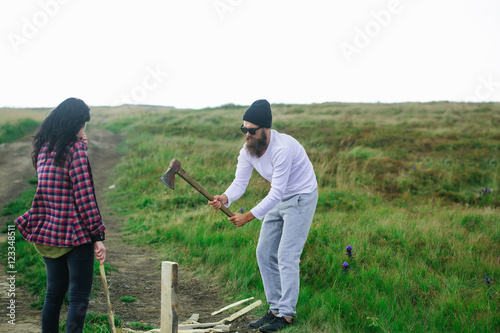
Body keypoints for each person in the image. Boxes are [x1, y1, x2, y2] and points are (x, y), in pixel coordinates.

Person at [209, 99, 318, 332]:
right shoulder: (248, 150)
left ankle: (286, 315)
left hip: (300, 197)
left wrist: (248, 216)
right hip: (277, 199)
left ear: (266, 129)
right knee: (264, 252)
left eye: (252, 130)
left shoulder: (283, 149)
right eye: (243, 129)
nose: (247, 134)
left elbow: (277, 192)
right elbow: (240, 183)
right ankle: (275, 308)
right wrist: (225, 198)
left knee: (287, 255)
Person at [14, 97, 106, 333]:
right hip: (75, 236)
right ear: (76, 123)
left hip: (48, 233)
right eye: (83, 124)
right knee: (78, 298)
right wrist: (97, 235)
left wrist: (81, 145)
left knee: (53, 295)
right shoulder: (74, 150)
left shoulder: (45, 148)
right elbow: (85, 198)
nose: (85, 129)